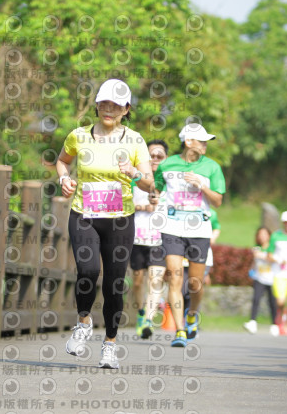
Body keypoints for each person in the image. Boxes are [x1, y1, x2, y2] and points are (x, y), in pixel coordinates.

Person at [56, 79, 154, 368]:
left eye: (116, 105)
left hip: (120, 220)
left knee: (114, 283)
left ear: (126, 109)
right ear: (97, 105)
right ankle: (84, 322)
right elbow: (62, 161)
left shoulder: (135, 140)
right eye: (104, 103)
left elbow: (149, 184)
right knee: (87, 270)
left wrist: (135, 172)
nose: (109, 109)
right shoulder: (79, 136)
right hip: (84, 214)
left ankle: (110, 344)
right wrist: (64, 178)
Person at [153, 123, 225, 347]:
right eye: (201, 141)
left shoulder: (212, 167)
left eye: (206, 141)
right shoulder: (167, 164)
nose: (205, 145)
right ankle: (180, 331)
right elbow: (156, 190)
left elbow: (218, 201)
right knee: (174, 278)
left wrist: (201, 185)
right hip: (172, 227)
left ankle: (192, 313)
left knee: (195, 284)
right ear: (188, 142)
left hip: (199, 229)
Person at [131, 140, 168, 339]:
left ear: (165, 159)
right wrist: (143, 207)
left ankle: (148, 320)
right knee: (137, 281)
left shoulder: (170, 180)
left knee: (155, 279)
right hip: (136, 237)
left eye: (159, 156)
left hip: (159, 238)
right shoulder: (135, 178)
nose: (154, 159)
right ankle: (141, 313)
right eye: (151, 155)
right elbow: (122, 203)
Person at [243, 227, 279, 336]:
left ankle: (275, 325)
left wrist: (262, 256)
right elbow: (255, 262)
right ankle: (252, 322)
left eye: (264, 234)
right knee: (256, 299)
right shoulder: (256, 248)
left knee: (272, 302)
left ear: (269, 235)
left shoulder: (273, 248)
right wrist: (251, 270)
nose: (262, 236)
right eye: (260, 234)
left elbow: (275, 259)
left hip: (272, 278)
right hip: (259, 278)